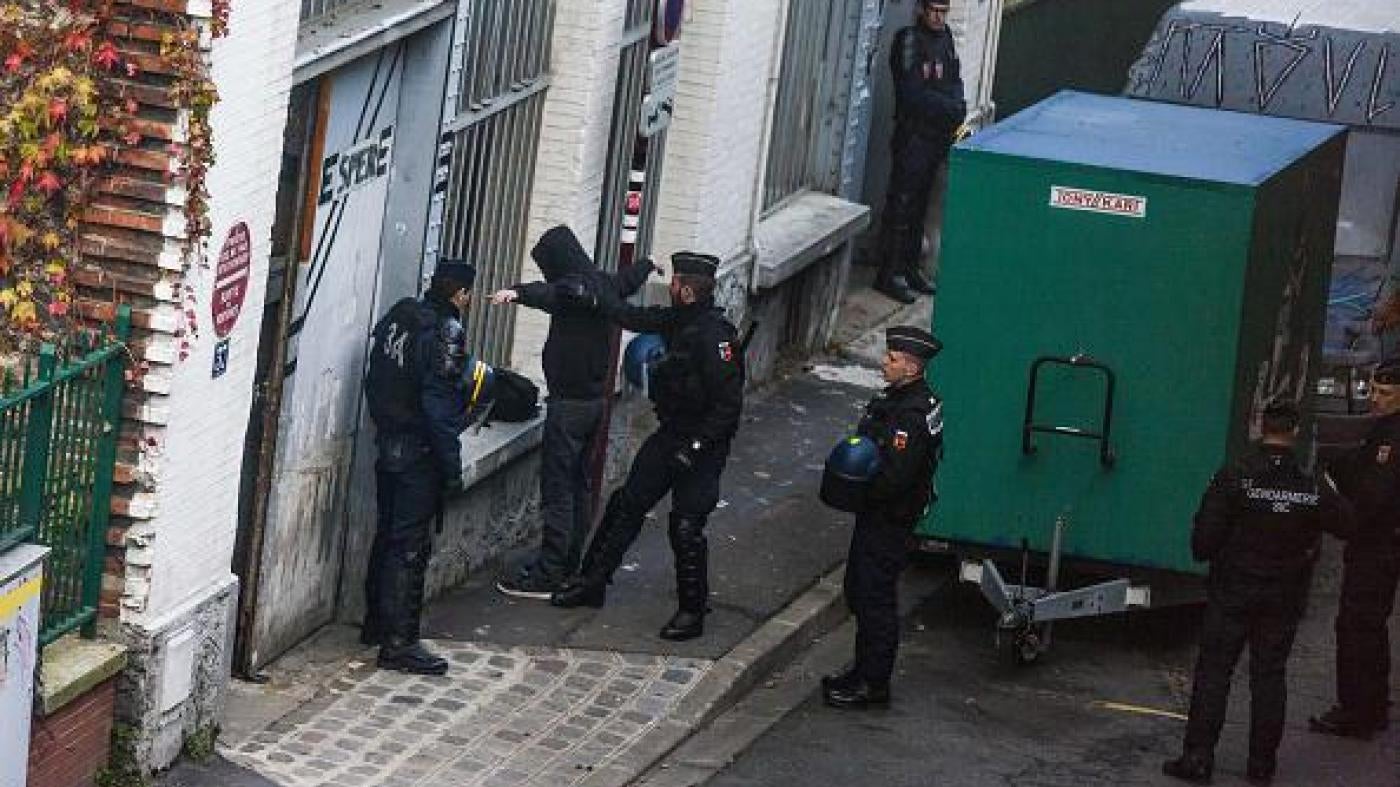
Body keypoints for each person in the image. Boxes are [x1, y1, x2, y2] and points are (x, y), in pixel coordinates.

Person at [551, 252, 743, 642]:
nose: (669, 287)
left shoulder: (716, 338)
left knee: (686, 526)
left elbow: (728, 408)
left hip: (704, 445)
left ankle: (692, 611)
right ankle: (592, 582)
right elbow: (632, 317)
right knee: (627, 504)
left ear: (686, 291)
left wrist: (695, 447)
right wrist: (595, 298)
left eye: (675, 283)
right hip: (672, 432)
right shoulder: (678, 319)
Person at [1163, 400, 1352, 785]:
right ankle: (1261, 765)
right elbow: (1347, 524)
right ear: (1295, 431)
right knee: (1269, 677)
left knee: (1214, 672)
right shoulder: (1310, 482)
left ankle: (1198, 758)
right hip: (1284, 593)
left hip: (1233, 588)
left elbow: (1203, 542)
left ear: (1260, 427)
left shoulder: (1235, 475)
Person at [489, 225, 657, 599]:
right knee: (579, 486)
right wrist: (648, 264)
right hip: (595, 403)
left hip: (569, 407)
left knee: (558, 490)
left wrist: (517, 293)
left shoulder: (575, 291)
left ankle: (549, 572)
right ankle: (568, 562)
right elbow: (627, 280)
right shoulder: (604, 284)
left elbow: (552, 294)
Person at [361, 259, 475, 675]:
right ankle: (399, 642)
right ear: (460, 294)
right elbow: (439, 408)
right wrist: (452, 469)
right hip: (418, 452)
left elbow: (374, 378)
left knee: (388, 536)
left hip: (390, 443)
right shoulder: (445, 332)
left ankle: (377, 624)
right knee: (409, 548)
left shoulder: (401, 317)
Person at [822, 326, 943, 710]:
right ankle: (862, 670)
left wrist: (858, 492)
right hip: (877, 517)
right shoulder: (898, 399)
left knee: (875, 599)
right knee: (860, 591)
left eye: (892, 358)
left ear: (911, 367)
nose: (884, 363)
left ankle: (873, 683)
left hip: (889, 520)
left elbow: (894, 477)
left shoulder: (911, 414)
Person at [1309, 358, 1400, 740]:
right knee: (1370, 626)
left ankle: (1356, 710)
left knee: (1357, 626)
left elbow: (1373, 495)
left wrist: (1337, 508)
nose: (1375, 398)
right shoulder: (1383, 429)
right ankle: (1372, 704)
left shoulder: (1391, 438)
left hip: (1376, 544)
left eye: (1385, 393)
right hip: (1381, 543)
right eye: (1374, 390)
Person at [875, 0, 966, 305]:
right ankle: (890, 272)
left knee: (920, 206)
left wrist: (957, 106)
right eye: (934, 11)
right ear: (922, 11)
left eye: (943, 12)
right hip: (913, 136)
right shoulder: (909, 40)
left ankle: (910, 267)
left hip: (936, 137)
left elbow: (953, 79)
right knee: (902, 203)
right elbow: (911, 94)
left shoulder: (946, 38)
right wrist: (948, 107)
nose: (939, 18)